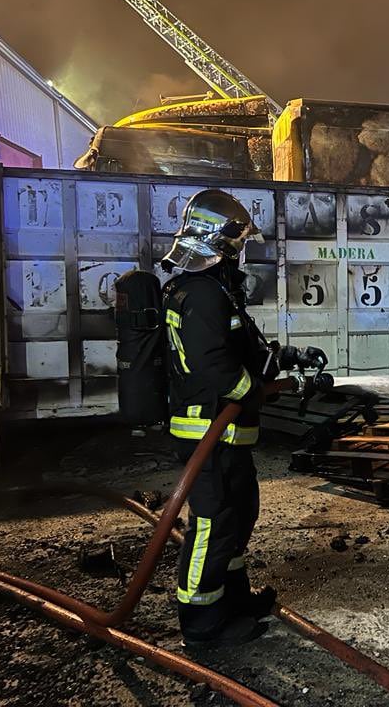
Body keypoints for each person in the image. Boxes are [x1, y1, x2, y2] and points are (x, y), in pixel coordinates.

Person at [160, 188, 284, 647]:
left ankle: (233, 600)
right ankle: (202, 623)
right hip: (206, 427)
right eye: (236, 239)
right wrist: (254, 391)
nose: (239, 249)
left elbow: (238, 345)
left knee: (238, 514)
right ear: (217, 238)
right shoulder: (200, 292)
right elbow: (213, 364)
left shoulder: (211, 290)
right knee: (211, 524)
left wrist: (281, 357)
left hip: (225, 432)